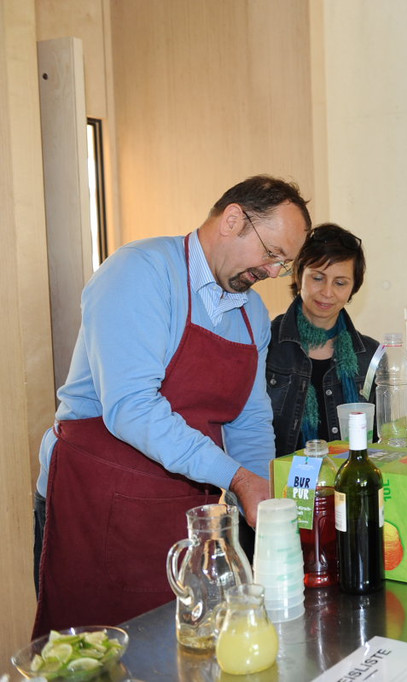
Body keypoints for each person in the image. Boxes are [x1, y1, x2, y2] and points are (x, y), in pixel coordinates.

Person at [32, 175, 311, 636]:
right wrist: (237, 479)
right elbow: (132, 408)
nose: (273, 271)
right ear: (233, 220)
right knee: (93, 651)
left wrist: (261, 495)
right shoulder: (139, 273)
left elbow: (249, 417)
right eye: (271, 253)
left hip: (182, 510)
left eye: (283, 263)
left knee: (178, 644)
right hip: (95, 503)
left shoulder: (252, 314)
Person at [266, 223, 379, 455]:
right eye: (318, 278)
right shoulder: (265, 344)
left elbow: (380, 442)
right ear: (299, 276)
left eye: (340, 283)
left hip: (348, 476)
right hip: (281, 476)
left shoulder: (370, 356)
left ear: (353, 288)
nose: (327, 292)